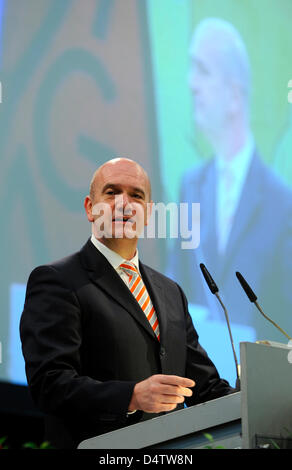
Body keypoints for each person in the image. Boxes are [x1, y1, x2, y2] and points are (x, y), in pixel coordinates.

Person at [20, 157, 233, 449]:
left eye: (136, 195)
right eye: (111, 192)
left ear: (148, 214)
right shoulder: (57, 280)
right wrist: (130, 396)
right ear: (89, 208)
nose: (124, 203)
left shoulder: (171, 292)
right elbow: (50, 384)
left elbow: (203, 387)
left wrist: (256, 400)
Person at [167, 18, 292, 342]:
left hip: (261, 385)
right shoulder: (189, 186)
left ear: (235, 96)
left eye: (203, 71)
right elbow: (173, 291)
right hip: (196, 384)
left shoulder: (283, 202)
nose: (191, 83)